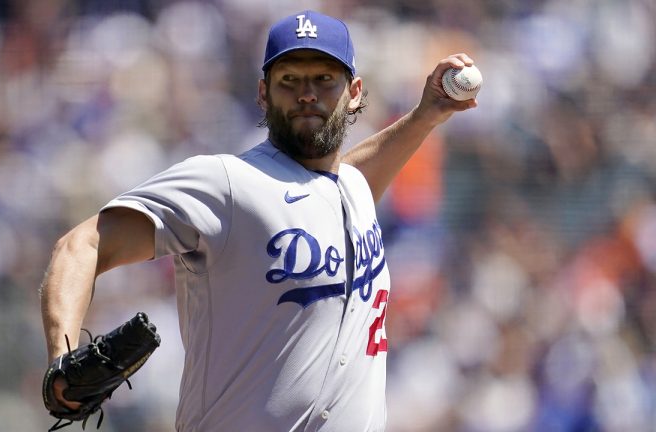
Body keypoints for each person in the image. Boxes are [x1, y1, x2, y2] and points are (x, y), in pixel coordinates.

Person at [40, 9, 476, 432]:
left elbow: (345, 180)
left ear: (355, 92)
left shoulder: (352, 190)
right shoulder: (228, 183)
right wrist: (62, 358)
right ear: (263, 93)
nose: (307, 93)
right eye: (290, 80)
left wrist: (424, 116)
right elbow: (83, 245)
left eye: (324, 79)